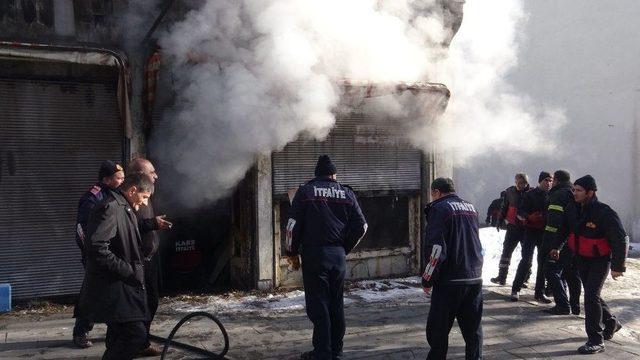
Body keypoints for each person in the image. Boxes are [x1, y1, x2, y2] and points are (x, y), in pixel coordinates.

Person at [285, 155, 367, 360]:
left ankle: (322, 352)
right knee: (336, 303)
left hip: (314, 255)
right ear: (333, 174)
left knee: (319, 303)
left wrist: (292, 252)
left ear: (317, 174)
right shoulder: (347, 193)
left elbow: (291, 227)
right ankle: (336, 351)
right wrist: (344, 248)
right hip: (337, 255)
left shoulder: (305, 191)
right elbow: (362, 226)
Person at [80, 173, 154, 360]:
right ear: (132, 190)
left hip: (122, 287)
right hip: (115, 288)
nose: (145, 203)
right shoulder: (111, 207)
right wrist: (127, 270)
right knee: (135, 335)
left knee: (118, 337)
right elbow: (97, 247)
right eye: (144, 197)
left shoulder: (123, 207)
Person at [422, 177, 483, 360]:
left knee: (438, 331)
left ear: (436, 192)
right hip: (474, 277)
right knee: (473, 332)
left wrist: (427, 279)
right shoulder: (471, 208)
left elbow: (436, 249)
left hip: (450, 280)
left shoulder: (439, 208)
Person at [569, 175, 628, 354]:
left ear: (590, 192)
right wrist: (555, 247)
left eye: (579, 190)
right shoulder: (574, 209)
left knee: (590, 296)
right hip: (581, 258)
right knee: (592, 294)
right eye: (574, 189)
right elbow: (565, 230)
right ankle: (611, 322)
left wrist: (618, 266)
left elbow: (619, 239)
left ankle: (595, 339)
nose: (575, 193)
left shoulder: (604, 212)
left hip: (600, 260)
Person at [72, 160, 124, 348]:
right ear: (106, 179)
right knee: (93, 293)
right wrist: (92, 253)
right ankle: (81, 332)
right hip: (96, 256)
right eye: (118, 178)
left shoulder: (117, 194)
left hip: (112, 255)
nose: (122, 181)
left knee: (113, 292)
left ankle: (118, 329)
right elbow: (82, 228)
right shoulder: (92, 198)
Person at [127, 157, 171, 357]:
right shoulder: (127, 201)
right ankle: (136, 343)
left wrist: (154, 223)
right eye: (151, 172)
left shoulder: (146, 194)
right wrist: (151, 224)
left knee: (151, 302)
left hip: (150, 259)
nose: (156, 175)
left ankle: (141, 341)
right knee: (139, 305)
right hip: (137, 262)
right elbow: (129, 228)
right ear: (140, 175)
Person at [542, 170, 582, 315]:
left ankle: (563, 305)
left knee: (551, 270)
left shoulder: (558, 194)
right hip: (574, 241)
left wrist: (552, 244)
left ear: (556, 180)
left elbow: (554, 221)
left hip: (559, 241)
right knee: (571, 273)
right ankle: (575, 306)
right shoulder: (574, 193)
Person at [510, 171, 553, 303]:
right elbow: (520, 212)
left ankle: (539, 293)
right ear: (540, 181)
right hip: (529, 232)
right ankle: (515, 289)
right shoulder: (530, 195)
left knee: (542, 263)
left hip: (544, 233)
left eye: (551, 180)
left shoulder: (552, 196)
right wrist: (529, 217)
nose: (549, 183)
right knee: (526, 261)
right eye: (546, 180)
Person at [491, 173, 529, 285]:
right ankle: (502, 277)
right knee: (506, 252)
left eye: (523, 183)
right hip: (512, 227)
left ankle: (524, 278)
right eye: (518, 183)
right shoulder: (510, 192)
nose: (520, 185)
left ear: (526, 183)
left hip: (526, 229)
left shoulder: (531, 193)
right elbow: (504, 206)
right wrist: (499, 221)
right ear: (515, 182)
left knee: (526, 255)